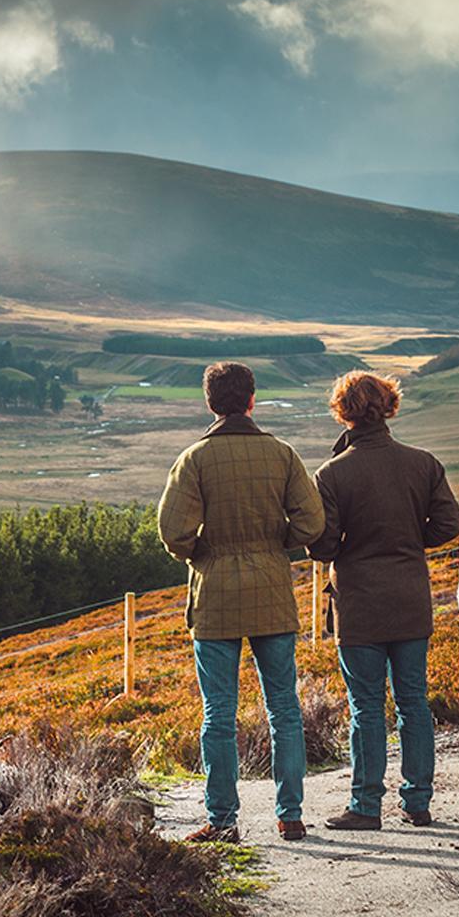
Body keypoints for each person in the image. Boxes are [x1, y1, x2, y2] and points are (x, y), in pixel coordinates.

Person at [158, 361, 325, 843]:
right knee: (285, 709)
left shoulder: (194, 459)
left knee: (218, 715)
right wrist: (277, 542)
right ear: (252, 400)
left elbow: (174, 532)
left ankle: (222, 819)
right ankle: (290, 815)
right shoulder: (283, 455)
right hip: (272, 591)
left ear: (210, 403)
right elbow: (312, 525)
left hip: (215, 599)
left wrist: (205, 553)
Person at [308, 371, 459, 830]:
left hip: (359, 605)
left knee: (366, 708)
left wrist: (349, 546)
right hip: (411, 599)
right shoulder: (423, 463)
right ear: (389, 406)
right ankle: (418, 803)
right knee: (414, 703)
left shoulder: (332, 474)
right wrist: (410, 539)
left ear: (342, 412)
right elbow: (448, 524)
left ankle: (366, 806)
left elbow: (322, 546)